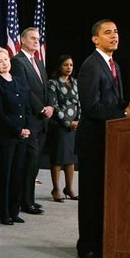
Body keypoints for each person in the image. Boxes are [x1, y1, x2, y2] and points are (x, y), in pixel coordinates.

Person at [75, 19, 130, 258]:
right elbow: (91, 107)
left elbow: (112, 104)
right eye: (108, 32)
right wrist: (124, 114)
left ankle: (103, 241)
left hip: (110, 140)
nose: (114, 36)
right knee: (91, 196)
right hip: (93, 142)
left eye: (116, 31)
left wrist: (129, 106)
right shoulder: (91, 66)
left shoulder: (114, 65)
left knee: (104, 195)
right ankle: (87, 247)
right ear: (95, 39)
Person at [10, 27, 54, 215]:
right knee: (28, 163)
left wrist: (51, 105)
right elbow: (25, 89)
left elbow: (47, 88)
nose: (37, 41)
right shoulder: (17, 61)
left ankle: (30, 200)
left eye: (38, 38)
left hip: (42, 120)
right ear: (23, 40)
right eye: (33, 38)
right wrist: (41, 108)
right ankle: (24, 202)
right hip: (30, 119)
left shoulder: (38, 61)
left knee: (35, 164)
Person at [0, 47, 32, 225]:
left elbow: (26, 106)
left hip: (22, 135)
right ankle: (3, 213)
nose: (4, 63)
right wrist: (17, 130)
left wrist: (27, 127)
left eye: (6, 59)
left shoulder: (19, 81)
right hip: (4, 136)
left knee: (18, 173)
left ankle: (14, 211)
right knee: (4, 174)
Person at [47, 54, 81, 202]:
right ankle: (56, 189)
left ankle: (69, 188)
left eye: (71, 65)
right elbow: (53, 106)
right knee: (58, 158)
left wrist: (78, 121)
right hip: (60, 126)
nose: (69, 68)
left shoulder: (75, 82)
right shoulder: (53, 83)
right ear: (60, 66)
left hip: (74, 126)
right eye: (66, 65)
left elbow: (80, 103)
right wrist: (68, 122)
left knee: (71, 158)